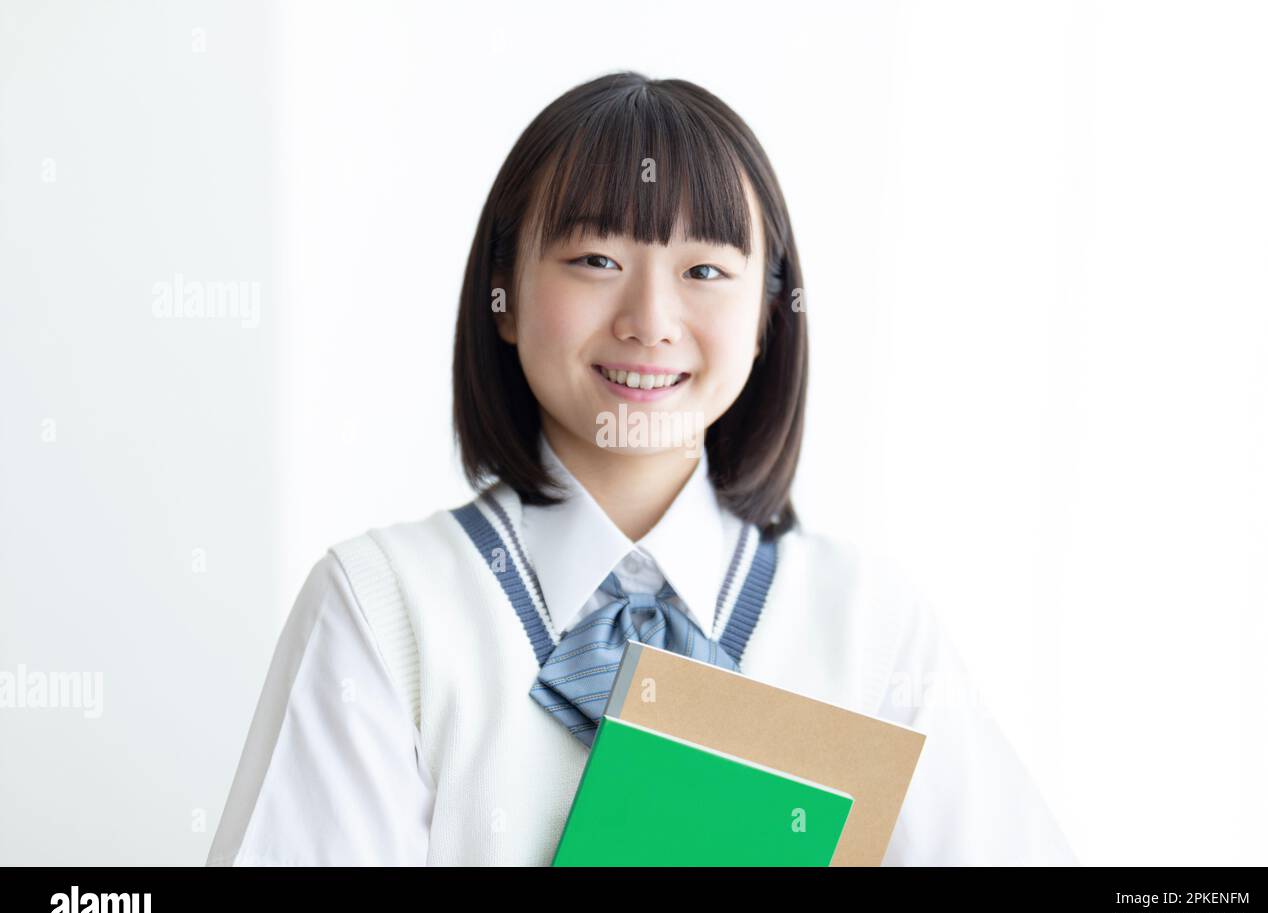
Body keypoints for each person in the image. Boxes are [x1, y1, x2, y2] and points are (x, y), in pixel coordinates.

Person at [206, 71, 1078, 867]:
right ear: (502, 295)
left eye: (705, 269)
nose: (650, 319)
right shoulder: (385, 606)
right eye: (596, 261)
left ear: (768, 316)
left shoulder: (870, 626)